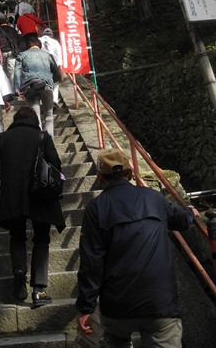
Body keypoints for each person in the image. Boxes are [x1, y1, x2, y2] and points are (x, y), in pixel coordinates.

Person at [76, 148, 198, 348]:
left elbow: (92, 262)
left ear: (99, 178)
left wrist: (85, 308)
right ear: (130, 173)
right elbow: (182, 219)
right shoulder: (154, 198)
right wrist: (191, 212)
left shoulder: (96, 208)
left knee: (114, 338)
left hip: (117, 305)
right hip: (160, 302)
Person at [0, 106, 65, 308]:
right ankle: (39, 290)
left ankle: (18, 271)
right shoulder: (42, 136)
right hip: (40, 195)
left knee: (17, 237)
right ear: (35, 120)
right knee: (41, 239)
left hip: (13, 196)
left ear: (15, 120)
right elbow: (56, 163)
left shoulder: (4, 138)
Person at [14, 36, 61, 138]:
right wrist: (54, 81)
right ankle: (49, 142)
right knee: (49, 115)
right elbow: (56, 73)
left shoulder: (22, 55)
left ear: (27, 46)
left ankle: (38, 141)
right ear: (39, 45)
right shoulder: (48, 55)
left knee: (35, 117)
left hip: (30, 87)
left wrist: (17, 89)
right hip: (46, 85)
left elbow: (17, 73)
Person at [0, 15, 20, 89]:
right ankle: (12, 89)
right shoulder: (12, 30)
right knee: (12, 71)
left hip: (1, 52)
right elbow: (17, 40)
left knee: (2, 70)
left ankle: (3, 89)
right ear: (7, 22)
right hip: (11, 52)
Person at [39, 28, 63, 107]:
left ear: (43, 34)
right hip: (53, 66)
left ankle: (43, 102)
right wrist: (60, 72)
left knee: (43, 83)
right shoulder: (55, 42)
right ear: (52, 35)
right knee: (55, 83)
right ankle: (54, 101)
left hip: (40, 65)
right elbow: (59, 58)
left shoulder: (38, 41)